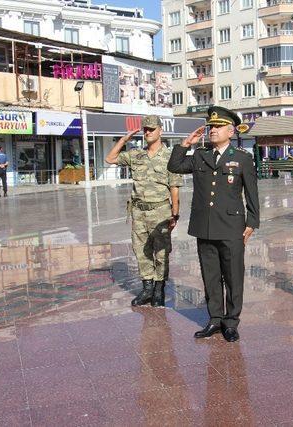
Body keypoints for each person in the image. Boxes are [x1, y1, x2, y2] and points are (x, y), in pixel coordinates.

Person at [167, 106, 260, 342]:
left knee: (233, 275)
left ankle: (231, 322)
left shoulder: (242, 158)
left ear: (231, 131)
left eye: (218, 127)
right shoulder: (200, 155)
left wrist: (252, 221)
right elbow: (175, 166)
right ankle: (215, 319)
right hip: (205, 226)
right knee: (211, 276)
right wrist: (186, 143)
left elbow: (252, 193)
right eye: (211, 127)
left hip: (231, 225)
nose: (212, 130)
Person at [104, 115, 182, 307]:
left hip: (161, 211)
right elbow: (110, 158)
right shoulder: (135, 154)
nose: (147, 132)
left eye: (151, 129)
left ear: (160, 131)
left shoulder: (170, 156)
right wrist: (124, 140)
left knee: (161, 253)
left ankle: (159, 290)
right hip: (139, 212)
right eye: (145, 129)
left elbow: (174, 187)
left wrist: (175, 214)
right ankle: (147, 289)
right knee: (141, 251)